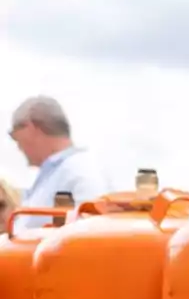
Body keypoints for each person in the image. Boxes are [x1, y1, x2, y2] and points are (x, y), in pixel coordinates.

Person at [8, 96, 111, 230]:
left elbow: (95, 227)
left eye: (14, 135)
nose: (18, 146)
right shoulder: (59, 172)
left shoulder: (79, 169)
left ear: (30, 127)